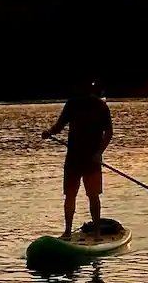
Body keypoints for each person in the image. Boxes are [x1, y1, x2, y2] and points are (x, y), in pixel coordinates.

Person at [42, 82, 113, 240]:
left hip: (92, 160)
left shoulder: (100, 106)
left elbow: (109, 132)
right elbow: (60, 125)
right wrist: (50, 132)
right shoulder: (72, 104)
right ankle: (67, 231)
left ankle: (97, 232)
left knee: (93, 195)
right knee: (70, 195)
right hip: (73, 158)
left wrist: (99, 152)